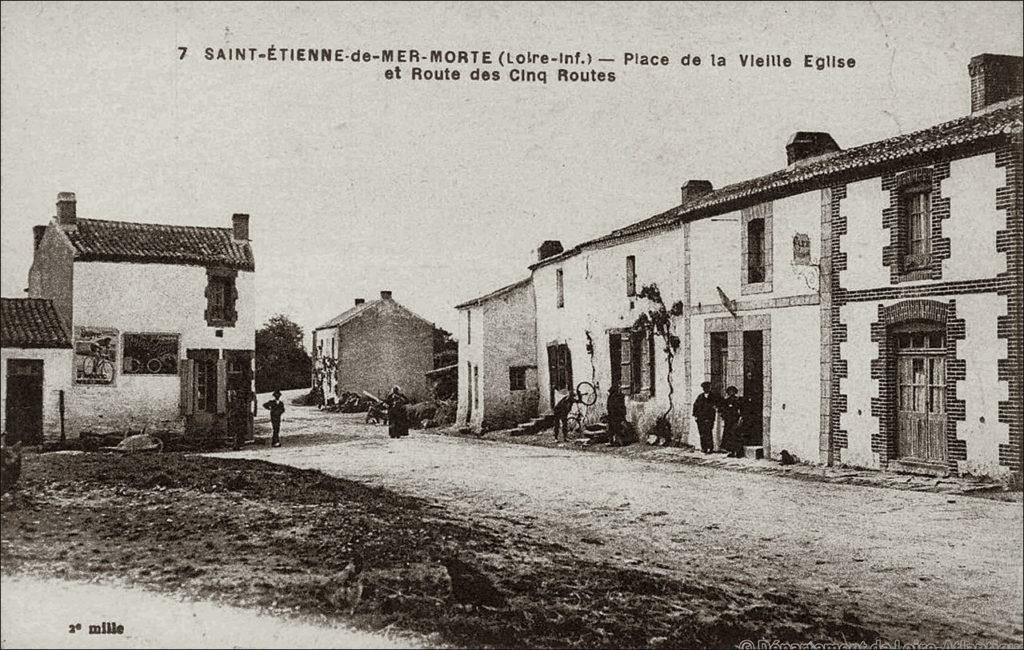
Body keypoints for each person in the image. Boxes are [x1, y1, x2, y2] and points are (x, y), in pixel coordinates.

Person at [692, 381, 719, 453]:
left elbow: (718, 403)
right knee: (702, 433)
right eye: (704, 388)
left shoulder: (713, 396)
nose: (706, 389)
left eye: (708, 387)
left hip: (709, 418)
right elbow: (695, 406)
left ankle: (710, 448)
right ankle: (704, 448)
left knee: (708, 432)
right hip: (701, 418)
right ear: (703, 389)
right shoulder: (700, 396)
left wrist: (715, 407)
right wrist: (695, 415)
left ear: (710, 388)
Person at [718, 386, 744, 457]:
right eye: (730, 392)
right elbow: (722, 410)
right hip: (728, 421)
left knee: (736, 436)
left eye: (733, 391)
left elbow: (741, 410)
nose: (731, 393)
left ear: (735, 392)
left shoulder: (738, 400)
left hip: (735, 420)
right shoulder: (726, 401)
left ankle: (738, 452)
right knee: (729, 437)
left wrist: (740, 419)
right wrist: (724, 417)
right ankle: (732, 451)